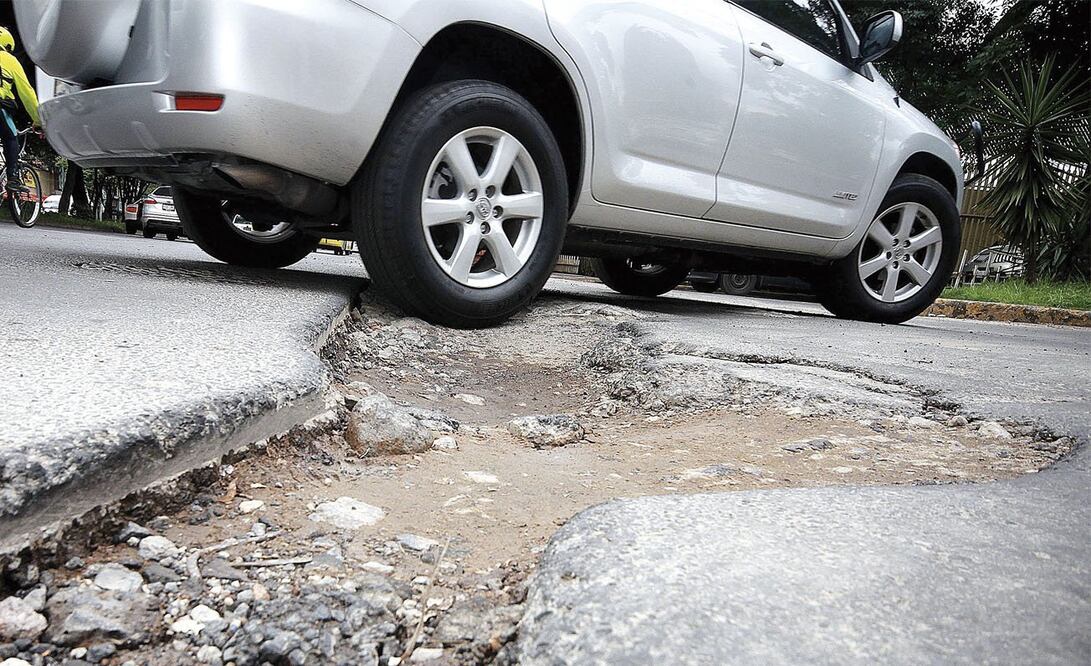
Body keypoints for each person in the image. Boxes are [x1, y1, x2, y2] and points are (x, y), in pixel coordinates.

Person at [0, 26, 40, 193]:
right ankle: (13, 178)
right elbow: (27, 92)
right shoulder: (9, 60)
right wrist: (38, 120)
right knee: (11, 139)